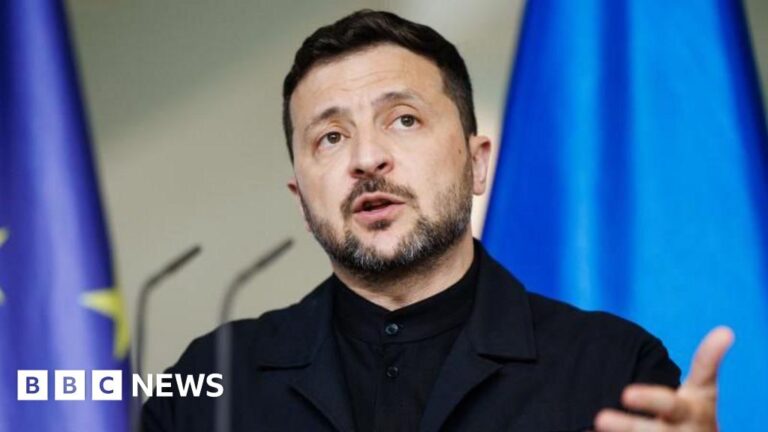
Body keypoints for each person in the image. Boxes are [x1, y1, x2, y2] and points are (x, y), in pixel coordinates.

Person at [142, 9, 733, 432]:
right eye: (331, 137)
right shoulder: (211, 383)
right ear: (301, 199)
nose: (366, 158)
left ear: (477, 163)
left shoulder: (611, 366)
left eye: (403, 120)